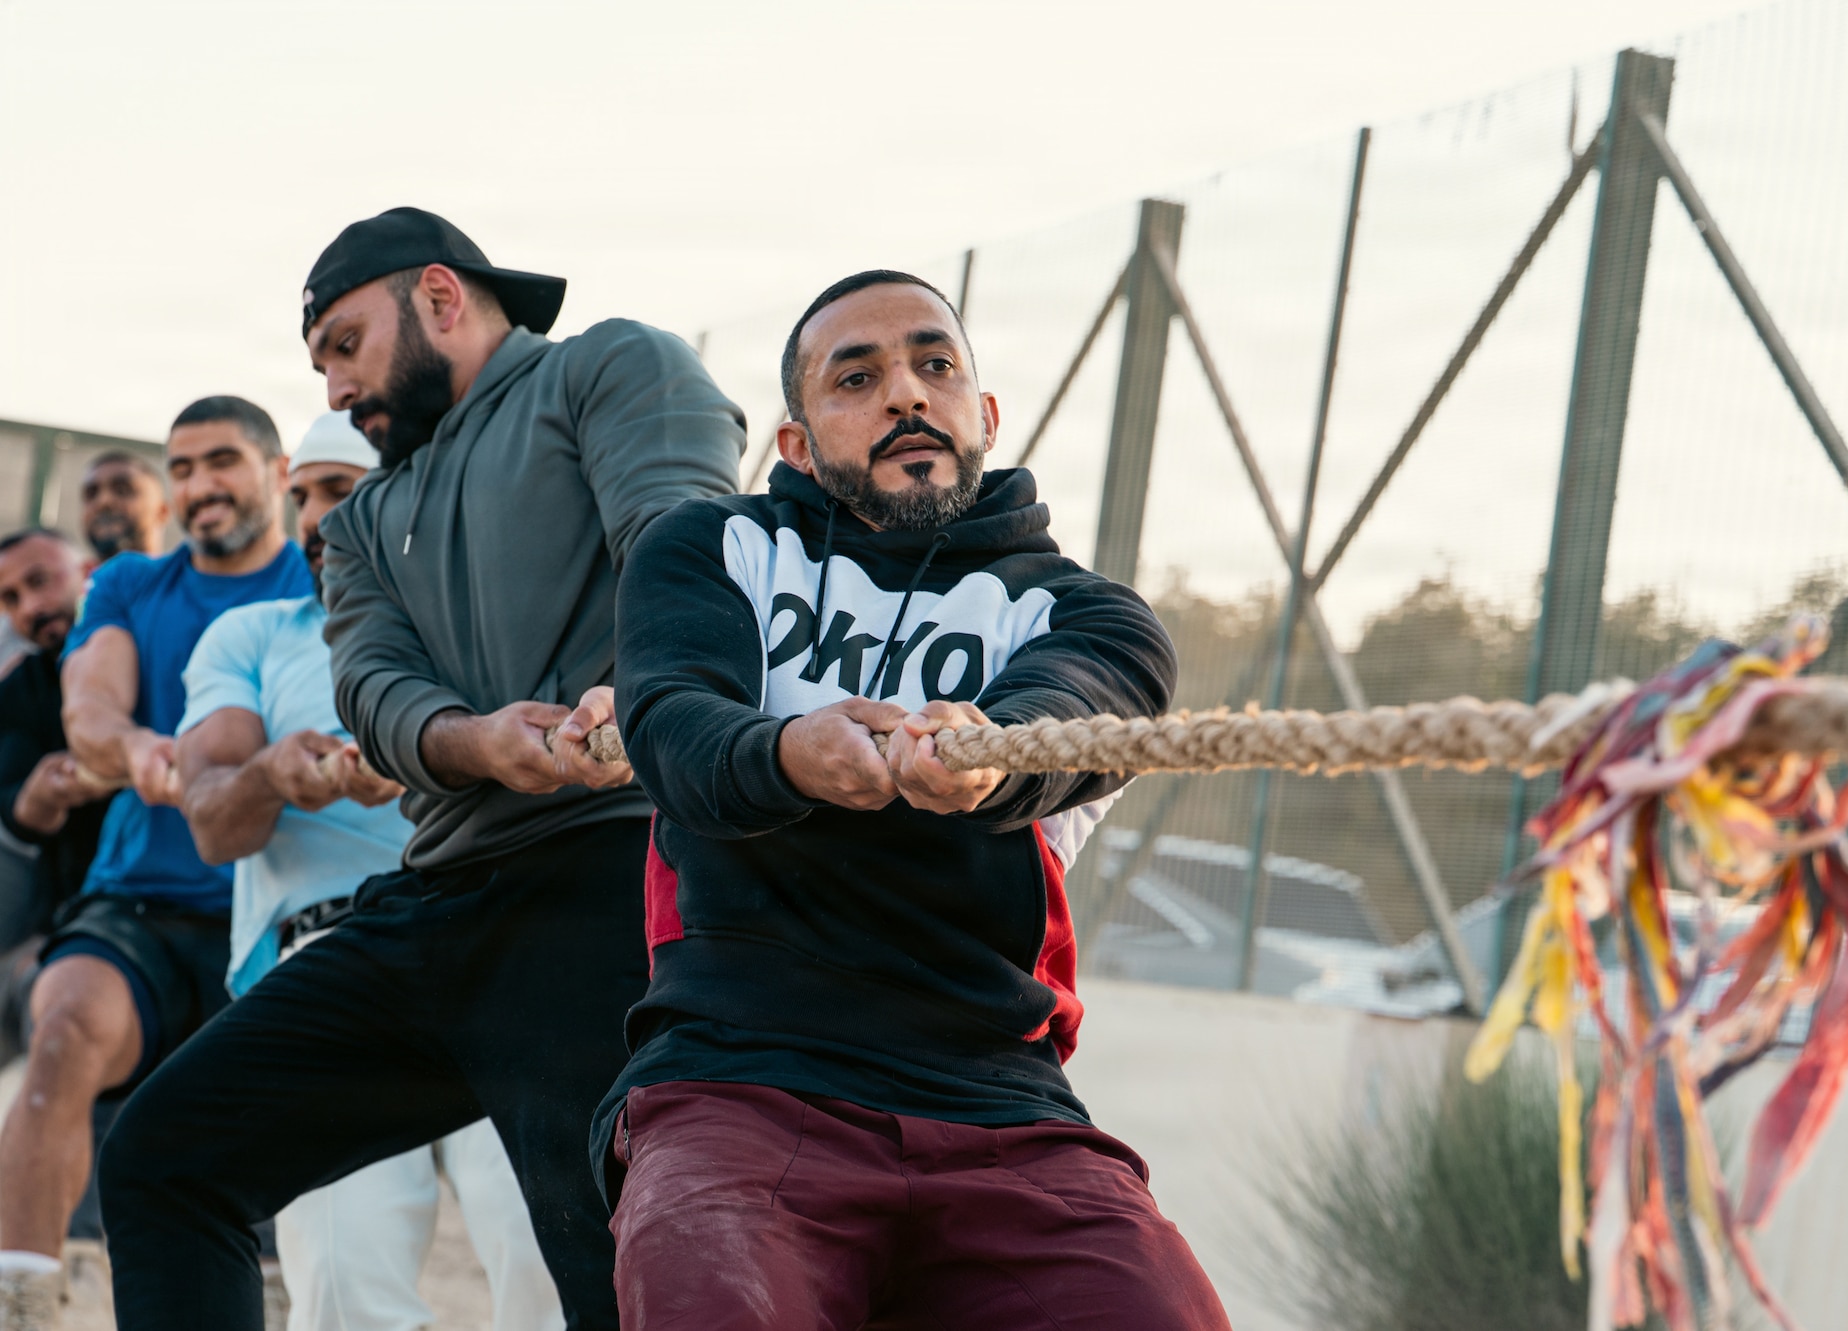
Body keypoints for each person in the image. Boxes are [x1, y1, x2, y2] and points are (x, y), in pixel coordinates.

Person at [98, 206, 745, 1331]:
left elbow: (680, 537)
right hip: (430, 904)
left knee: (622, 1271)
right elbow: (380, 696)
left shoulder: (608, 365)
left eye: (344, 344)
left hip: (613, 878)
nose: (336, 388)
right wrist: (481, 739)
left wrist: (644, 678)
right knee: (163, 1157)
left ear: (440, 297)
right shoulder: (359, 521)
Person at [597, 270, 1228, 1328]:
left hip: (1002, 1101)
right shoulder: (712, 550)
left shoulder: (1093, 614)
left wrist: (985, 755)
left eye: (933, 365)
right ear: (796, 444)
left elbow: (1070, 713)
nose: (904, 394)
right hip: (737, 1077)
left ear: (981, 415)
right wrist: (794, 751)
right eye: (857, 376)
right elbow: (672, 725)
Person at [174, 410, 563, 1331]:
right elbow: (211, 824)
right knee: (344, 1292)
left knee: (548, 1261)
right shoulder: (253, 635)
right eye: (301, 493)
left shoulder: (496, 617)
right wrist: (275, 772)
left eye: (338, 491)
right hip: (325, 964)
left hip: (497, 947)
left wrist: (437, 757)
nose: (311, 516)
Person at [0, 397, 310, 1323]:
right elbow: (89, 705)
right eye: (180, 468)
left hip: (280, 906)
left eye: (221, 461)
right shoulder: (133, 581)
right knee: (60, 1032)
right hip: (137, 903)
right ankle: (23, 1295)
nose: (198, 486)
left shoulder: (320, 580)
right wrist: (133, 749)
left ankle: (276, 1276)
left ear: (278, 472)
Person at [0, 531, 102, 954]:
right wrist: (42, 798)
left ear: (88, 573)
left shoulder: (156, 650)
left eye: (40, 581)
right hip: (81, 908)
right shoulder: (21, 689)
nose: (32, 607)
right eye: (11, 598)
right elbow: (14, 804)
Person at [78, 451, 172, 566]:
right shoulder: (65, 581)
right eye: (91, 494)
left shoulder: (192, 582)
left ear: (162, 512)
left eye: (123, 490)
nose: (103, 501)